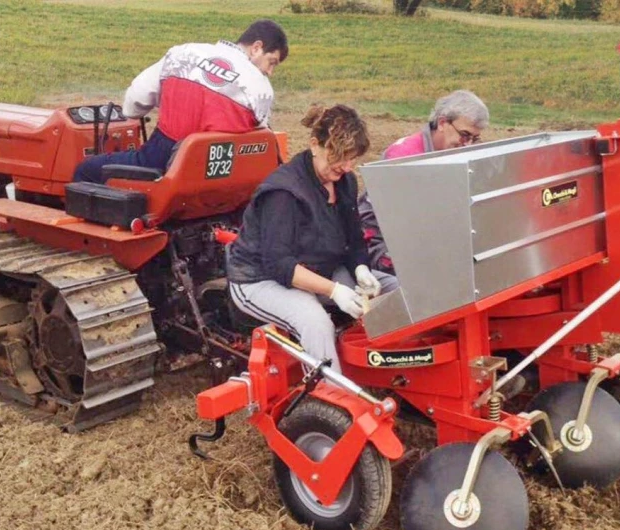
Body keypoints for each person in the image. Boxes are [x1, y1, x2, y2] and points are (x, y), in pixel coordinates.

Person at [227, 105, 398, 373]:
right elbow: (279, 264)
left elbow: (353, 240)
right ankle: (332, 401)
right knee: (315, 322)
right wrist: (334, 290)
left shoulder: (344, 182)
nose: (346, 166)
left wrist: (360, 268)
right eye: (339, 156)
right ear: (314, 144)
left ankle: (396, 374)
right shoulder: (284, 192)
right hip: (260, 278)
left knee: (394, 291)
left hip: (319, 268)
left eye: (352, 158)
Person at [73, 19, 289, 183]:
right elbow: (259, 138)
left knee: (85, 169)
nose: (269, 72)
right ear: (256, 47)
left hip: (165, 159)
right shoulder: (261, 88)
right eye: (272, 62)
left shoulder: (182, 54)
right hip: (220, 172)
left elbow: (133, 105)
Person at [359, 89, 489, 274]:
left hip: (426, 240)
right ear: (443, 123)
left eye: (474, 139)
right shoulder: (403, 158)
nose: (467, 144)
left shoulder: (456, 155)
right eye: (465, 135)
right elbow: (391, 225)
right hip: (384, 244)